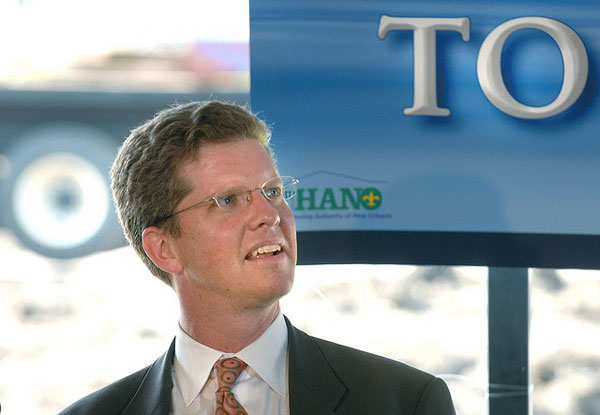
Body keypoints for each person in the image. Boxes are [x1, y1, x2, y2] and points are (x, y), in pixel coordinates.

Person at [60, 101, 455, 415]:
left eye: (272, 191)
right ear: (164, 248)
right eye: (229, 200)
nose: (269, 214)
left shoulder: (406, 402)